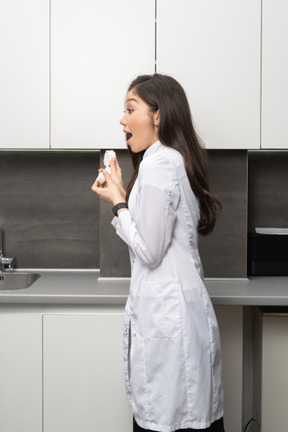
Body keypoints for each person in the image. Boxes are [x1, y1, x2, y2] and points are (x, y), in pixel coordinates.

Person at [91, 74, 225, 432]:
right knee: (187, 418)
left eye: (130, 109)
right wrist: (121, 192)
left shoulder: (158, 164)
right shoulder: (169, 159)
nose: (122, 120)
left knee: (168, 420)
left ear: (157, 116)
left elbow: (149, 251)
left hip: (170, 317)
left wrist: (118, 201)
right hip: (178, 311)